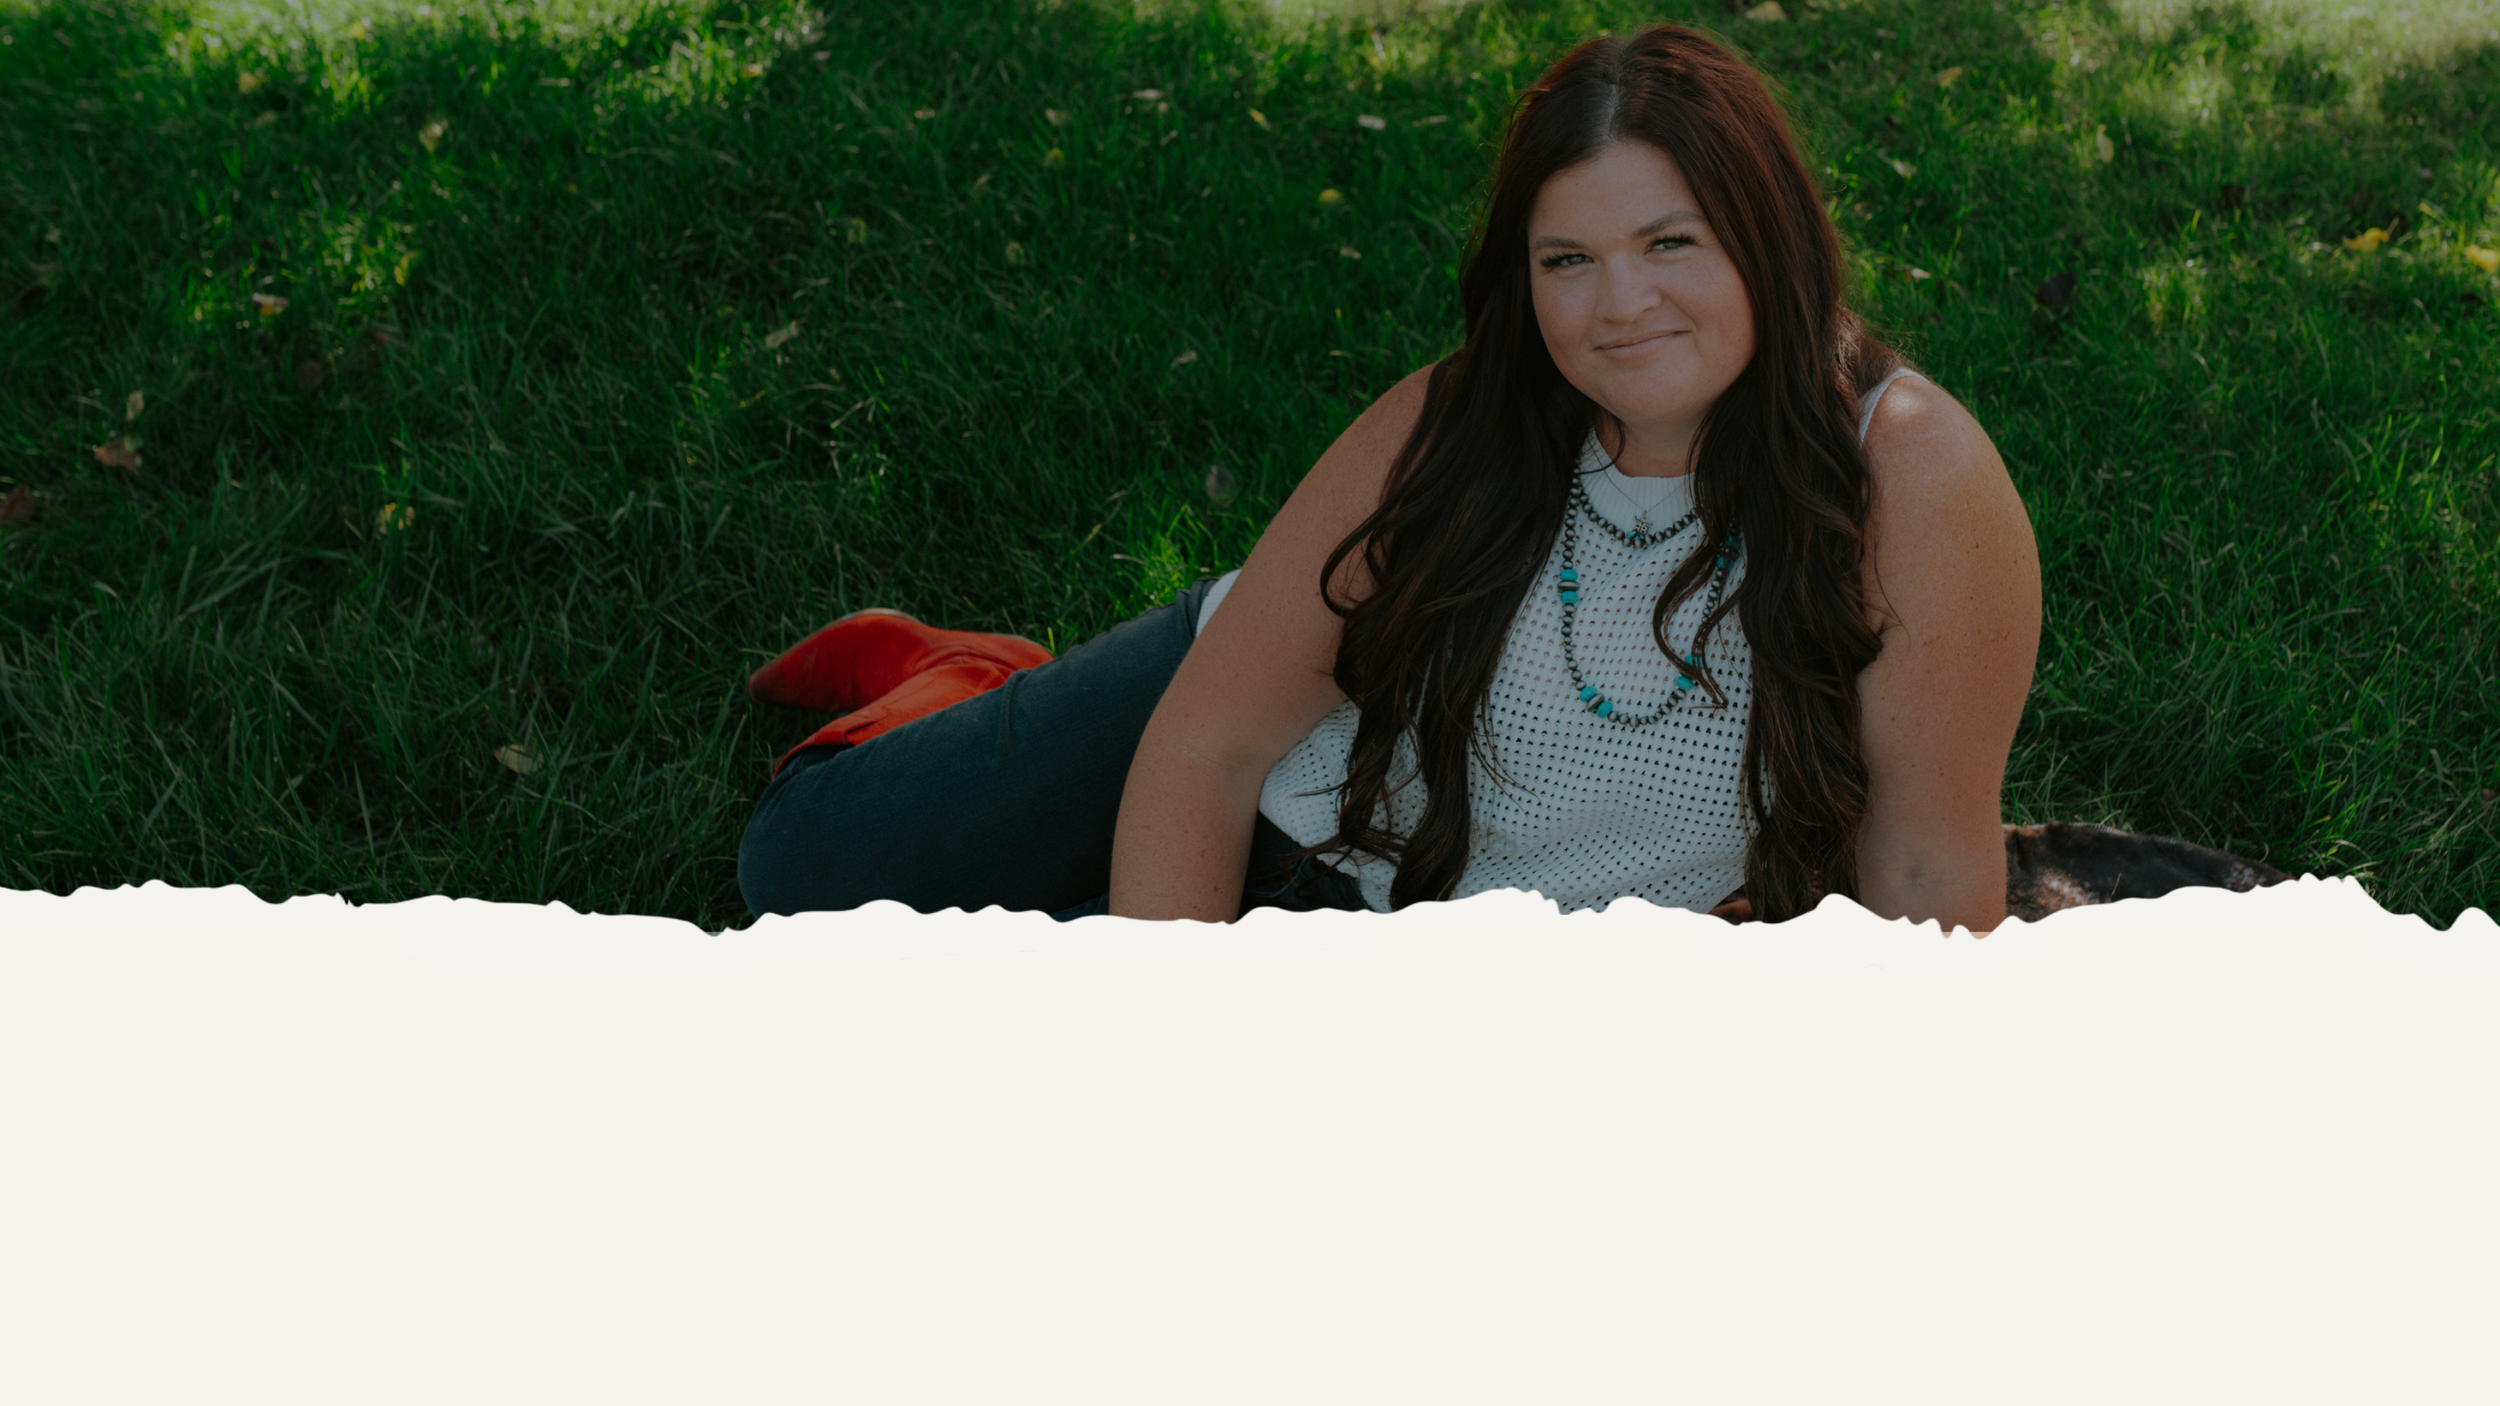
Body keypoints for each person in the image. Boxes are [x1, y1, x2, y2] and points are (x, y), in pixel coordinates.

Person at [739, 24, 2043, 931]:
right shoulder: (1466, 423)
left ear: (1770, 242)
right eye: (1567, 259)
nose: (1619, 303)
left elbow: (1926, 856)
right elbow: (1209, 743)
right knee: (799, 869)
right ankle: (957, 686)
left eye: (1670, 241)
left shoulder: (1909, 474)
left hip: (1393, 915)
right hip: (1269, 737)